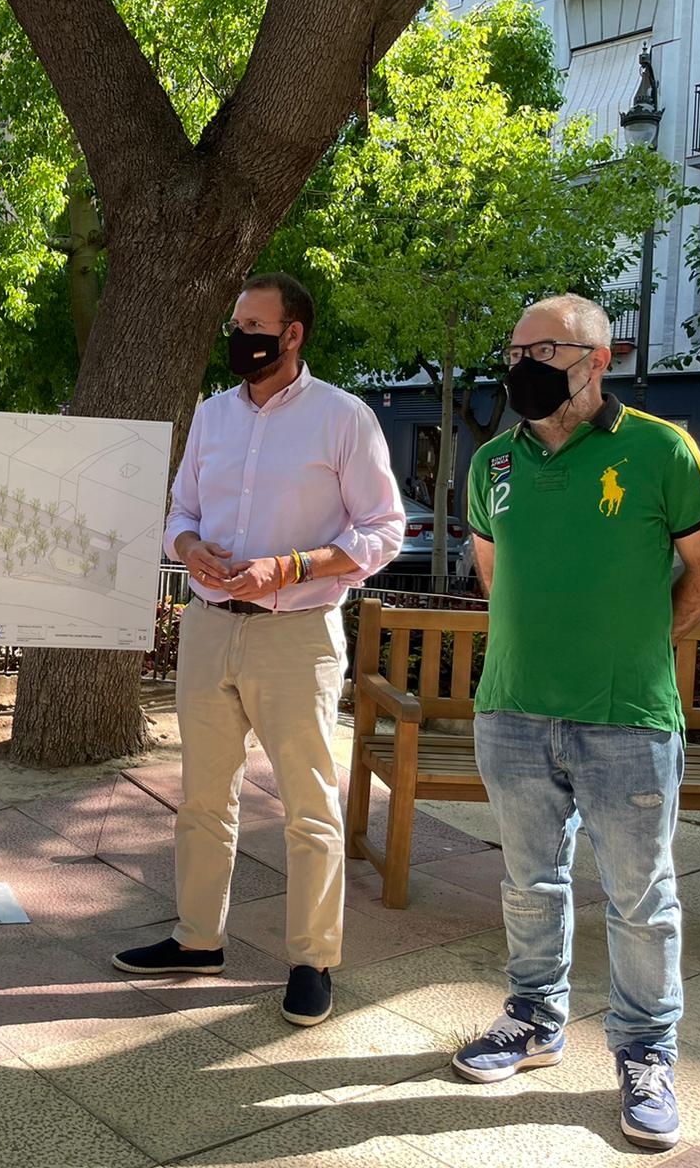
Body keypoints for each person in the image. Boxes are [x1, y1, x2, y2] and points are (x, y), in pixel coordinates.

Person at [453, 294, 700, 1150]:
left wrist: (644, 641)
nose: (522, 367)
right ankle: (534, 1020)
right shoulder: (493, 463)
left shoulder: (661, 449)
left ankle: (646, 1052)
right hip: (512, 712)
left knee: (642, 902)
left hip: (626, 721)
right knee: (528, 883)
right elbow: (494, 574)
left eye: (542, 350)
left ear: (597, 359)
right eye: (514, 352)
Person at [112, 272, 405, 1026]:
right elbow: (177, 509)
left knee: (310, 807)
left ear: (292, 334)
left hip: (297, 634)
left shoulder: (344, 418)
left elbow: (384, 532)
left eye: (253, 325)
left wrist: (293, 565)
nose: (239, 338)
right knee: (203, 797)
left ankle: (312, 959)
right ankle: (197, 938)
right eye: (235, 325)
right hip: (209, 624)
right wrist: (187, 545)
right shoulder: (212, 416)